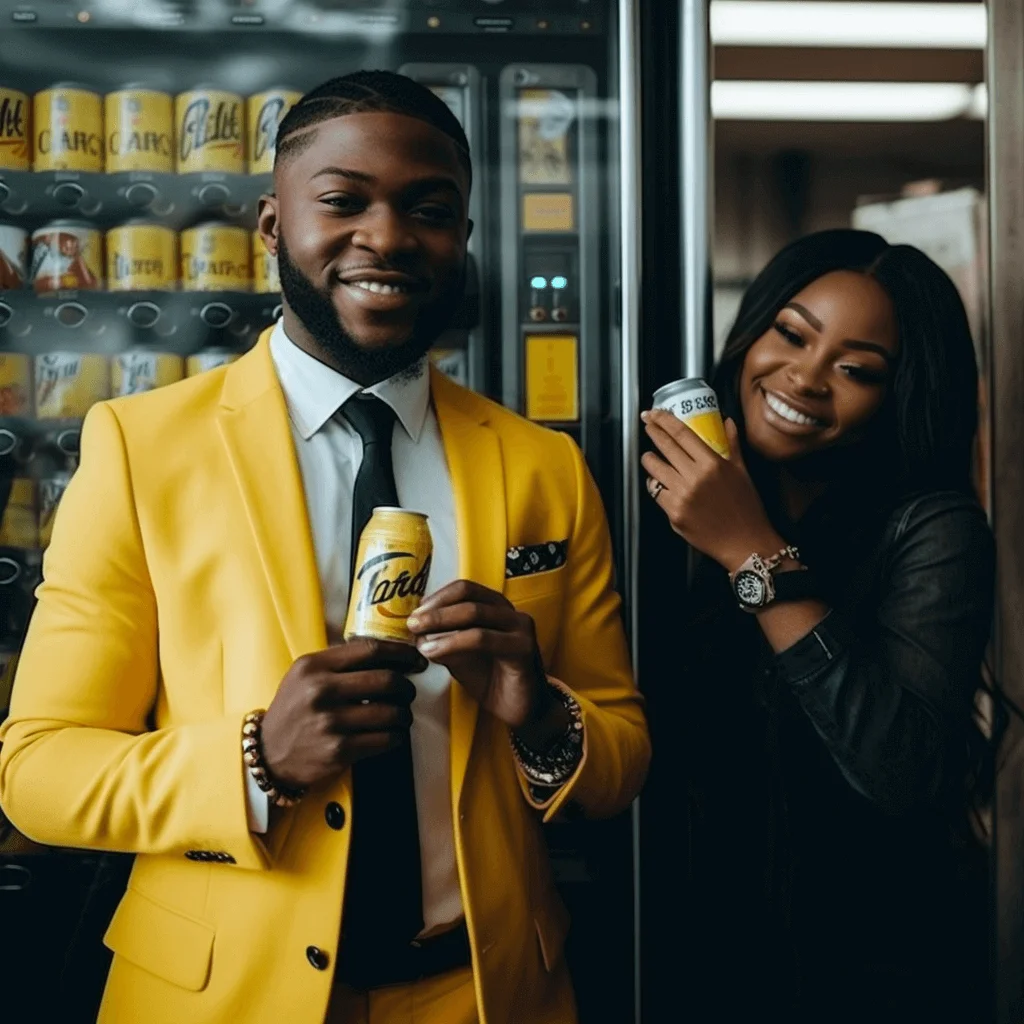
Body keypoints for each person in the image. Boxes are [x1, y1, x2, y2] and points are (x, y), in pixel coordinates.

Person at [0, 71, 650, 1024]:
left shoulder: (544, 467)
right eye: (343, 201)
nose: (386, 237)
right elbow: (39, 773)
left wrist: (540, 712)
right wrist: (257, 759)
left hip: (485, 993)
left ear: (462, 239)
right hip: (222, 998)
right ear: (272, 226)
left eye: (429, 210)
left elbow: (622, 755)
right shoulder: (141, 448)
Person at [642, 229, 994, 1023]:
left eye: (857, 369)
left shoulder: (931, 529)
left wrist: (753, 554)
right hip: (685, 937)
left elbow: (899, 769)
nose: (805, 376)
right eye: (792, 334)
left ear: (899, 394)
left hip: (871, 962)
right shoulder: (660, 491)